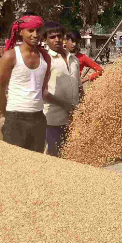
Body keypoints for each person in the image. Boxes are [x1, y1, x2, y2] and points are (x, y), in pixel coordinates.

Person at [0, 14, 51, 152]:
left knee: (35, 164)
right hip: (15, 117)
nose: (35, 35)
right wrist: (8, 116)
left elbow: (42, 88)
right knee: (14, 165)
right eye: (30, 30)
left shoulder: (45, 57)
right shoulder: (10, 56)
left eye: (38, 30)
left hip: (38, 118)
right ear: (21, 31)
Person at [42, 22, 81, 157]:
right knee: (54, 155)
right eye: (52, 37)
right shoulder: (45, 61)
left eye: (59, 36)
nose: (57, 40)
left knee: (71, 156)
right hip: (53, 117)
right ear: (45, 40)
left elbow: (79, 86)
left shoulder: (74, 59)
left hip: (73, 117)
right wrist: (66, 106)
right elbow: (43, 92)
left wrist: (84, 107)